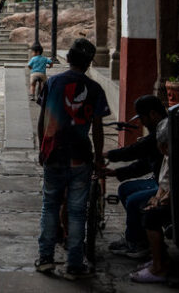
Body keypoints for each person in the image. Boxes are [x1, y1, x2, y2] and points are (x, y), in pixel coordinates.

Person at [35, 38, 108, 280]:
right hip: (80, 157)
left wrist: (41, 148)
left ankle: (45, 259)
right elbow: (97, 128)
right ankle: (74, 264)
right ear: (88, 64)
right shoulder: (95, 89)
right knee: (77, 212)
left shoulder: (53, 82)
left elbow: (42, 118)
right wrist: (98, 157)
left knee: (50, 205)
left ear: (68, 59)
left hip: (54, 153)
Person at [104, 94, 167, 259]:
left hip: (165, 185)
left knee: (134, 200)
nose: (141, 122)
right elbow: (145, 163)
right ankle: (137, 236)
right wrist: (117, 173)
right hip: (158, 180)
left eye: (143, 117)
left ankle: (137, 243)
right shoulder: (157, 130)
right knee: (125, 189)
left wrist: (107, 154)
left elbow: (135, 150)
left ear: (153, 114)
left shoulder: (161, 132)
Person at [130, 118, 172, 284]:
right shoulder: (168, 156)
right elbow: (164, 183)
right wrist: (157, 197)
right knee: (146, 206)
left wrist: (161, 200)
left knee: (150, 216)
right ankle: (160, 257)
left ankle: (158, 268)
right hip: (167, 198)